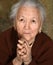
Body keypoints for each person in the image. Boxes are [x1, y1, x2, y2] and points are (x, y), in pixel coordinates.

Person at [0, 0, 53, 65]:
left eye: (33, 21)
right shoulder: (3, 39)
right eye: (22, 20)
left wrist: (28, 61)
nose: (27, 27)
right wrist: (17, 61)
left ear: (40, 26)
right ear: (14, 24)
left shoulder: (48, 46)